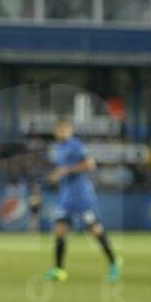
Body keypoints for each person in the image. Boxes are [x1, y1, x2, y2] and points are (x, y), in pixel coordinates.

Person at [44, 118, 123, 282]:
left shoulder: (76, 145)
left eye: (65, 129)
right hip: (66, 198)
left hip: (82, 197)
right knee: (59, 231)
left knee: (95, 231)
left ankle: (114, 262)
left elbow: (90, 165)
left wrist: (66, 170)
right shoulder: (59, 148)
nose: (62, 132)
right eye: (59, 129)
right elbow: (62, 171)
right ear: (55, 132)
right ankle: (59, 270)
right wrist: (56, 177)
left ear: (71, 130)